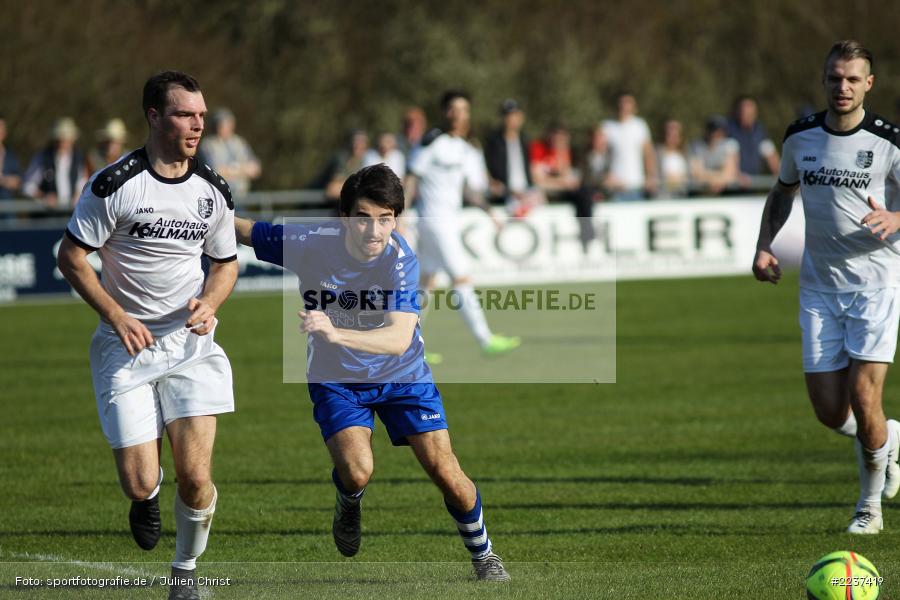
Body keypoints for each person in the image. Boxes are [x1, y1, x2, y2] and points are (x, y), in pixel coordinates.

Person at [233, 164, 511, 581]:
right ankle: (349, 501)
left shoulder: (401, 260)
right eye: (364, 218)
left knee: (447, 472)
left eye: (386, 219)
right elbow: (246, 230)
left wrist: (334, 331)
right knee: (357, 470)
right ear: (345, 216)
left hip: (404, 376)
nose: (375, 231)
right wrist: (189, 206)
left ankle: (485, 556)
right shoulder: (310, 242)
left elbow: (399, 338)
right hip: (338, 380)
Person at [56, 71, 238, 599]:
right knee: (140, 481)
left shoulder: (212, 188)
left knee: (197, 476)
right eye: (185, 114)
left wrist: (211, 300)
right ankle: (145, 495)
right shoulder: (114, 185)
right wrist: (115, 314)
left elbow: (225, 264)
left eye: (202, 114)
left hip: (189, 345)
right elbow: (71, 257)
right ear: (155, 117)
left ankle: (184, 576)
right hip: (124, 346)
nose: (197, 124)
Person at [752, 40, 900, 535]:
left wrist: (896, 215)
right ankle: (888, 438)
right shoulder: (800, 137)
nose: (843, 87)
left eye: (853, 79)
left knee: (864, 396)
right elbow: (783, 192)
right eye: (835, 78)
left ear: (868, 84)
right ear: (824, 80)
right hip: (819, 288)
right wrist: (764, 245)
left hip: (876, 285)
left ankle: (869, 507)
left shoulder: (888, 141)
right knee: (830, 412)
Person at [405, 90, 520, 355]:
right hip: (433, 220)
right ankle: (485, 339)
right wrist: (399, 213)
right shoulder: (432, 141)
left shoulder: (465, 148)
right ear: (444, 112)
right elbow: (411, 177)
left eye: (463, 109)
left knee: (425, 282)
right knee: (461, 277)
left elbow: (467, 190)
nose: (458, 115)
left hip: (446, 221)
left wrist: (489, 211)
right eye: (452, 109)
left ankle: (406, 347)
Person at [483, 98, 546, 217]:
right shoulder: (494, 143)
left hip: (527, 190)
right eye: (508, 116)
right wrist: (507, 190)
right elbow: (490, 173)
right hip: (507, 193)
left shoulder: (524, 140)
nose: (511, 119)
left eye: (514, 115)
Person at [601, 91, 657, 201]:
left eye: (627, 105)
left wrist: (651, 176)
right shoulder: (607, 126)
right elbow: (601, 154)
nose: (624, 108)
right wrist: (605, 176)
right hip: (615, 186)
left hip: (636, 185)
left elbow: (648, 152)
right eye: (622, 104)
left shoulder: (640, 125)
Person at [23, 117, 88, 210]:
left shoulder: (79, 158)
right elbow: (27, 187)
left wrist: (78, 195)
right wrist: (44, 197)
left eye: (65, 139)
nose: (61, 143)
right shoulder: (42, 157)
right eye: (59, 139)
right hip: (47, 216)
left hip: (72, 214)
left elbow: (82, 183)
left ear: (72, 140)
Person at [198, 108, 261, 202]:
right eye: (222, 123)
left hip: (242, 198)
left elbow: (256, 170)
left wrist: (230, 170)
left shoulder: (239, 142)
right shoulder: (208, 144)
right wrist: (243, 170)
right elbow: (215, 173)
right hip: (218, 198)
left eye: (228, 123)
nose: (226, 126)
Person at [725, 95, 780, 189]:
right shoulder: (728, 130)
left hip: (752, 184)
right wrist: (737, 175)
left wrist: (783, 178)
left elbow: (771, 155)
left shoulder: (759, 131)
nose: (747, 116)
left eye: (750, 113)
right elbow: (728, 156)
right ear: (738, 112)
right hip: (731, 186)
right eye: (744, 113)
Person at [689, 115, 740, 196]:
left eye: (720, 131)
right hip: (701, 193)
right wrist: (715, 180)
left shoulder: (730, 145)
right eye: (714, 130)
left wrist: (715, 180)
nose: (716, 134)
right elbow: (697, 173)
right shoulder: (696, 146)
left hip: (726, 193)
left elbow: (730, 173)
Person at [655, 119, 689, 198]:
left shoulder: (686, 154)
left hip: (682, 194)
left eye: (676, 135)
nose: (673, 139)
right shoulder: (657, 153)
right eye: (669, 135)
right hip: (663, 195)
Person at [0, 116, 22, 212]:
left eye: (2, 128)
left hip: (7, 210)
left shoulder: (11, 156)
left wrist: (4, 181)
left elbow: (20, 181)